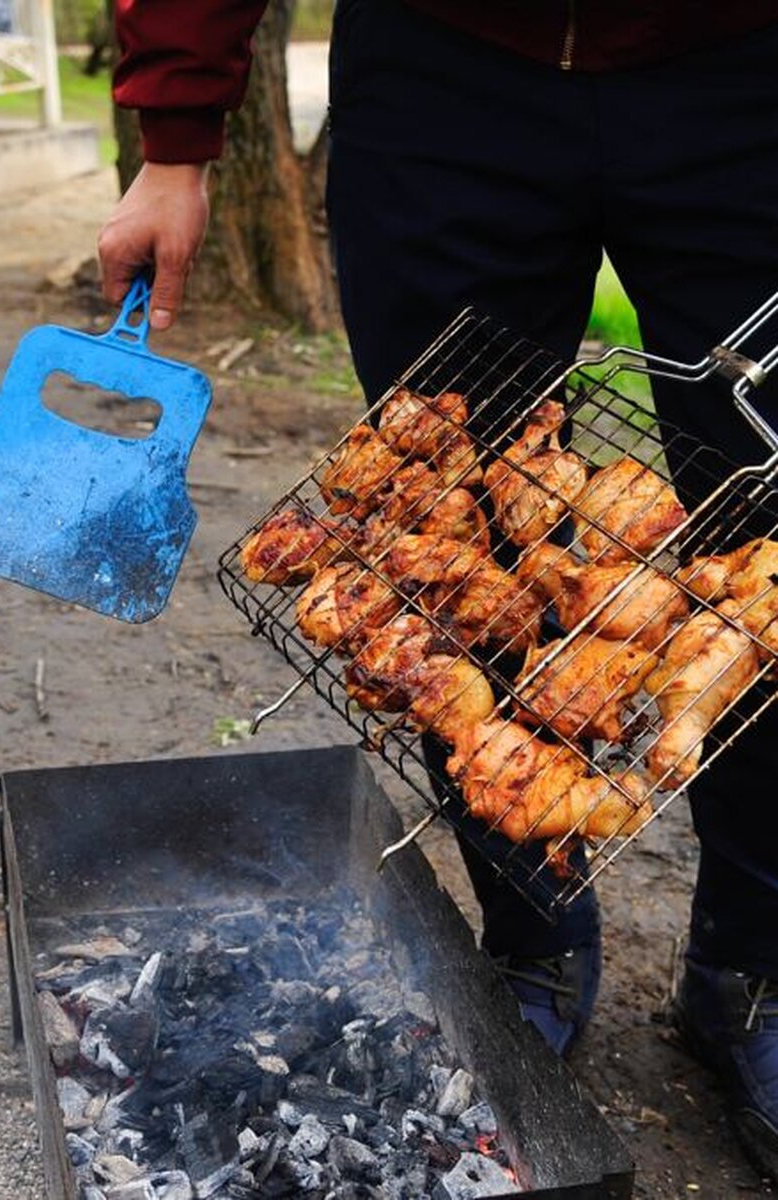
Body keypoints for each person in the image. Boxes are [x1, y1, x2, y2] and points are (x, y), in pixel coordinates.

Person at [96, 0, 778, 1180]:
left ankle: (753, 973)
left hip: (748, 67)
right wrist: (175, 134)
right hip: (447, 71)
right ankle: (529, 932)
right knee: (442, 533)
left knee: (773, 558)